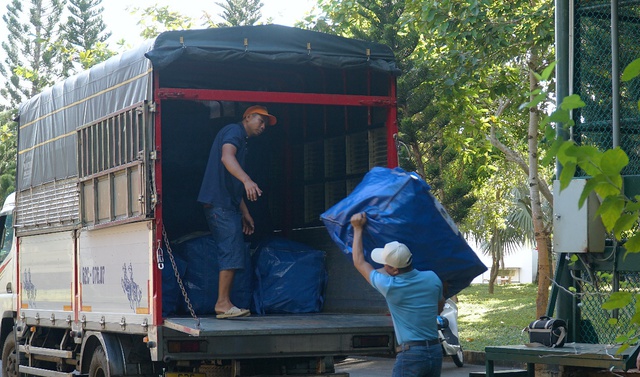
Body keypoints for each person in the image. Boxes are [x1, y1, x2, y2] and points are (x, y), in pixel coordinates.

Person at [198, 105, 277, 319]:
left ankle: (225, 302)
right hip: (219, 204)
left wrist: (244, 212)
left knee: (233, 248)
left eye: (265, 124)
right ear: (248, 117)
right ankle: (222, 303)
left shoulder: (242, 140)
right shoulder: (234, 131)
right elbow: (226, 157)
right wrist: (248, 180)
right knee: (231, 249)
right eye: (260, 120)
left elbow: (231, 180)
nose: (263, 126)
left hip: (227, 204)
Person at [349, 212, 444, 377]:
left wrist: (357, 228)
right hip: (435, 351)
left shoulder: (390, 286)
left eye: (385, 264)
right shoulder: (432, 278)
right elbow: (440, 304)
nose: (382, 266)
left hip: (412, 354)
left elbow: (359, 262)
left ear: (394, 269)